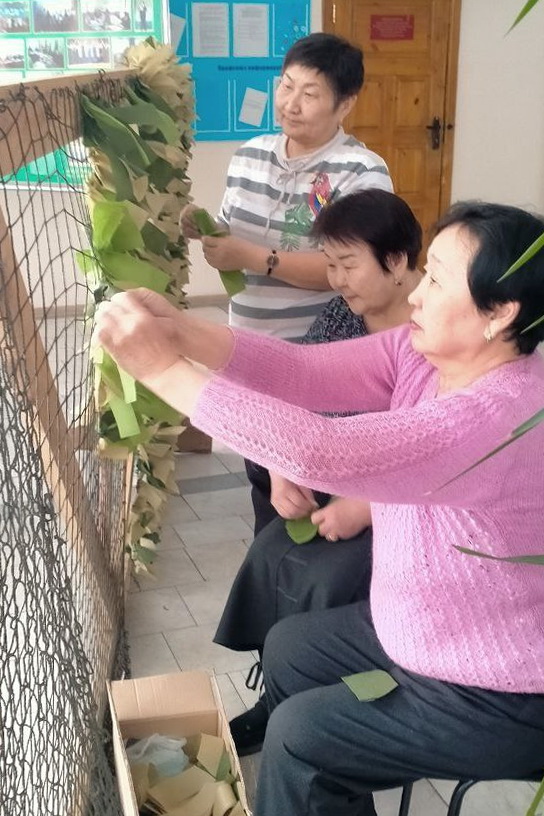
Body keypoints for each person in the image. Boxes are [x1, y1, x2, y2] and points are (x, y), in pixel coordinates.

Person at [97, 200, 544, 816]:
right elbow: (301, 371)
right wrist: (179, 331)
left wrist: (161, 370)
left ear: (500, 312)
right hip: (423, 633)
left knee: (301, 736)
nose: (417, 295)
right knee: (291, 647)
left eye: (438, 281)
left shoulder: (500, 417)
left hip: (498, 690)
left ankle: (309, 778)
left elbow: (320, 450)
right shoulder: (425, 356)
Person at [214, 189, 423, 755]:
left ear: (397, 260)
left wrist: (367, 506)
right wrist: (284, 468)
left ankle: (329, 707)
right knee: (270, 552)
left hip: (411, 506)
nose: (337, 280)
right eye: (330, 264)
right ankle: (277, 697)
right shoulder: (341, 316)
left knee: (326, 578)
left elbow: (447, 453)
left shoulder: (435, 334)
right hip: (338, 485)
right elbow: (291, 396)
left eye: (348, 264)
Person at [180, 32, 393, 536]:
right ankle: (274, 568)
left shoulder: (361, 172)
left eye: (310, 93)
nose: (291, 104)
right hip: (249, 350)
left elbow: (352, 269)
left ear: (346, 104)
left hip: (320, 358)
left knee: (317, 487)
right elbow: (232, 235)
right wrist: (205, 229)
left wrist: (253, 257)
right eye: (286, 86)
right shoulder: (249, 155)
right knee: (264, 479)